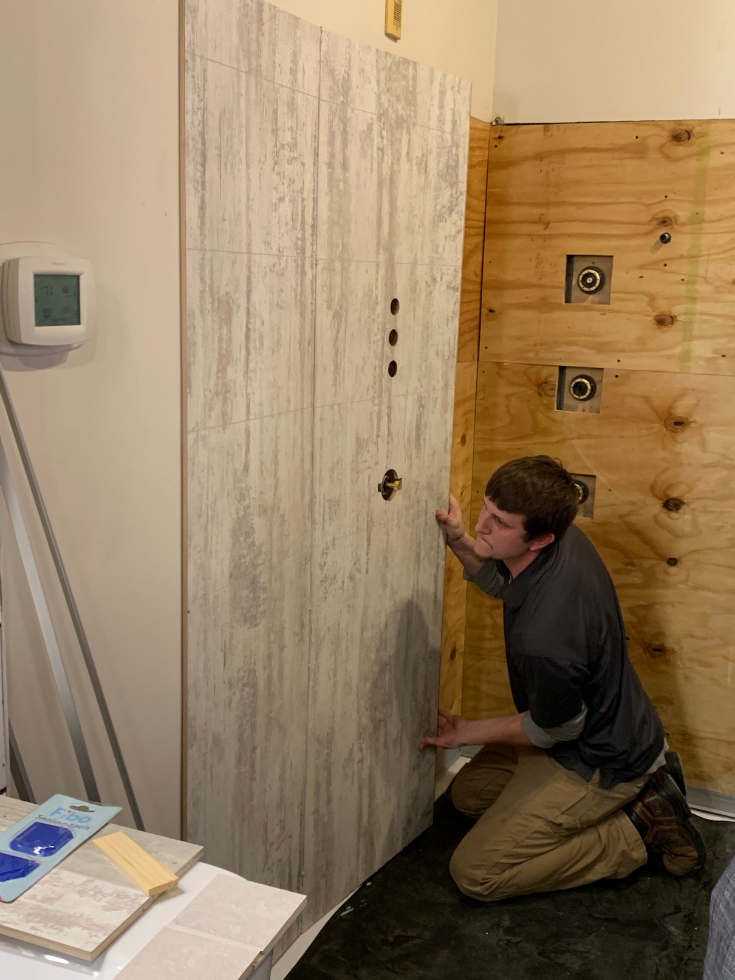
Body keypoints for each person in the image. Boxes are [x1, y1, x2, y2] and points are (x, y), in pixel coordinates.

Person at [421, 455, 706, 901]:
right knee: (470, 795)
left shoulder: (545, 635)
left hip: (601, 756)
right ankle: (624, 800)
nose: (482, 525)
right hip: (592, 726)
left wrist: (467, 732)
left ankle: (636, 828)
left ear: (539, 538)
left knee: (476, 873)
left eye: (500, 521)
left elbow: (557, 728)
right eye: (485, 507)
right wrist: (458, 540)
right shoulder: (564, 537)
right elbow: (501, 581)